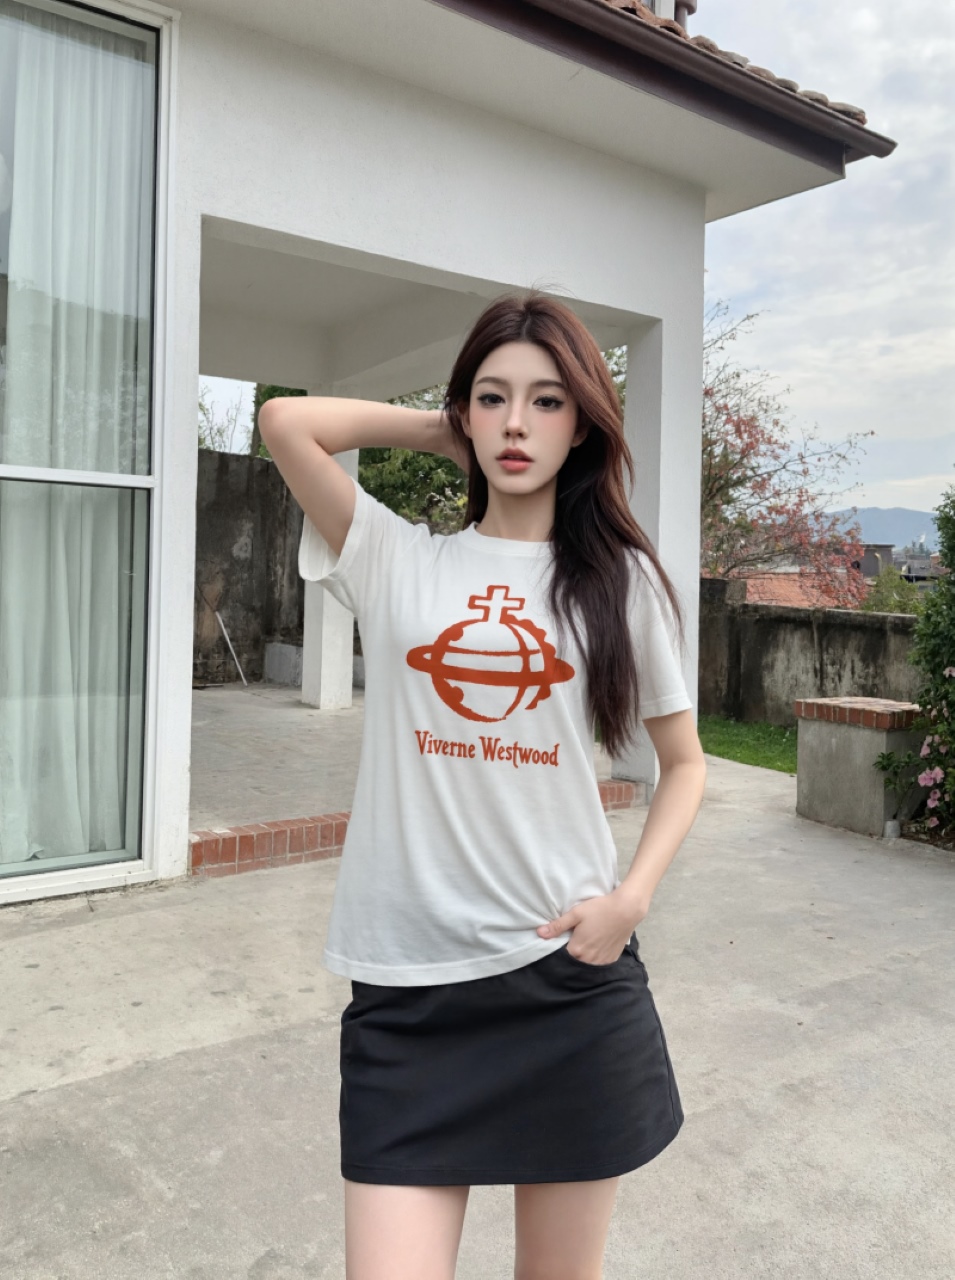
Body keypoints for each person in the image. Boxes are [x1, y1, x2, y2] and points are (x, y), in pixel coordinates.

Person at [259, 291, 707, 1280]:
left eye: (547, 401)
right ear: (465, 411)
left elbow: (684, 764)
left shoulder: (618, 584)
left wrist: (630, 900)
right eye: (493, 398)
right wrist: (443, 429)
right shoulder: (394, 558)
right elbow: (286, 421)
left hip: (564, 981)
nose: (516, 424)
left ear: (581, 423)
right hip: (407, 994)